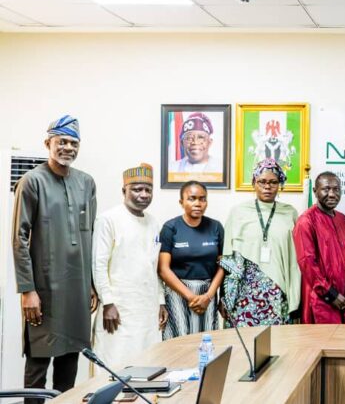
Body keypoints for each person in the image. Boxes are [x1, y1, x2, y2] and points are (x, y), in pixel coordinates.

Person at [12, 115, 97, 403]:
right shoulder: (31, 182)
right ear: (48, 143)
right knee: (38, 365)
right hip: (44, 289)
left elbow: (90, 236)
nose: (68, 148)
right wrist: (27, 290)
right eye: (62, 142)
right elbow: (19, 238)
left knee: (69, 364)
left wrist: (92, 285)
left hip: (76, 290)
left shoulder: (87, 183)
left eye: (74, 143)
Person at [92, 163, 167, 368]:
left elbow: (154, 267)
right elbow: (98, 264)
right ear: (124, 191)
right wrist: (107, 302)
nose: (143, 194)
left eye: (148, 190)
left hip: (147, 308)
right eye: (137, 189)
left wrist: (160, 301)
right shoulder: (108, 219)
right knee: (114, 365)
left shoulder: (153, 222)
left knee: (147, 364)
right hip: (118, 308)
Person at [221, 159, 300, 326]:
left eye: (273, 182)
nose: (267, 186)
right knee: (243, 344)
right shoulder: (238, 212)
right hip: (244, 290)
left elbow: (295, 260)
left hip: (278, 289)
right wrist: (225, 295)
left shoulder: (290, 213)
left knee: (276, 343)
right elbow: (227, 256)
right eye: (262, 181)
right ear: (253, 183)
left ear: (280, 184)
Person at [158, 181, 225, 339]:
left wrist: (208, 296)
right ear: (181, 202)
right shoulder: (170, 228)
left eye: (202, 199)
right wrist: (191, 297)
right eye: (192, 198)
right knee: (179, 343)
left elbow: (223, 266)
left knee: (207, 342)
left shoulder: (216, 227)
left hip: (208, 294)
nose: (198, 203)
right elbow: (163, 269)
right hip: (178, 293)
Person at [293, 172, 345, 324]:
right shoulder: (306, 222)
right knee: (322, 344)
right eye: (326, 189)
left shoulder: (341, 219)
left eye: (336, 189)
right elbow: (307, 264)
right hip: (321, 300)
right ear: (315, 191)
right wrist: (331, 295)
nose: (332, 194)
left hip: (344, 298)